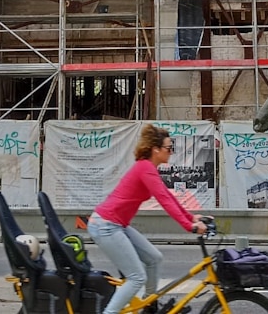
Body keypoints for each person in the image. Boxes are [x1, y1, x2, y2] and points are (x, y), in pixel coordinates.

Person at [87, 124, 209, 314]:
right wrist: (189, 226)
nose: (171, 152)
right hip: (105, 226)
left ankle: (149, 306)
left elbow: (167, 197)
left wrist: (191, 217)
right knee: (136, 277)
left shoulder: (148, 168)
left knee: (154, 258)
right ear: (156, 149)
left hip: (116, 225)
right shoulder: (145, 168)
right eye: (169, 148)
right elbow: (165, 201)